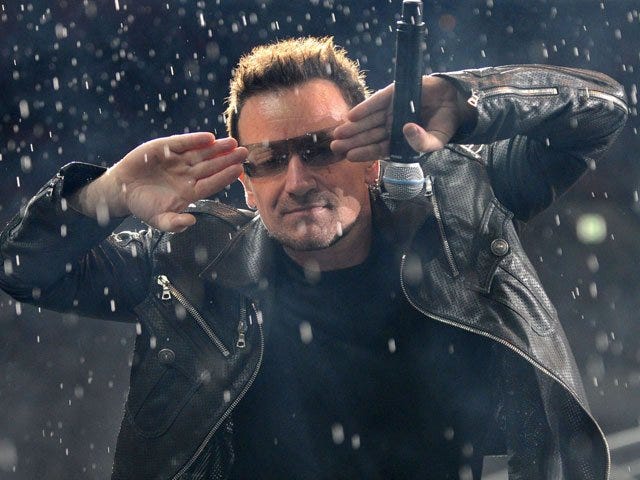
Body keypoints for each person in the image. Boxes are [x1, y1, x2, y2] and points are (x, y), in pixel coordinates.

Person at [0, 36, 628, 479]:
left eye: (321, 147)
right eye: (269, 160)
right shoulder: (188, 261)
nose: (297, 180)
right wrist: (106, 195)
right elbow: (23, 271)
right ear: (246, 184)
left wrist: (469, 99)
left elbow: (600, 113)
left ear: (373, 156)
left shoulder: (459, 213)